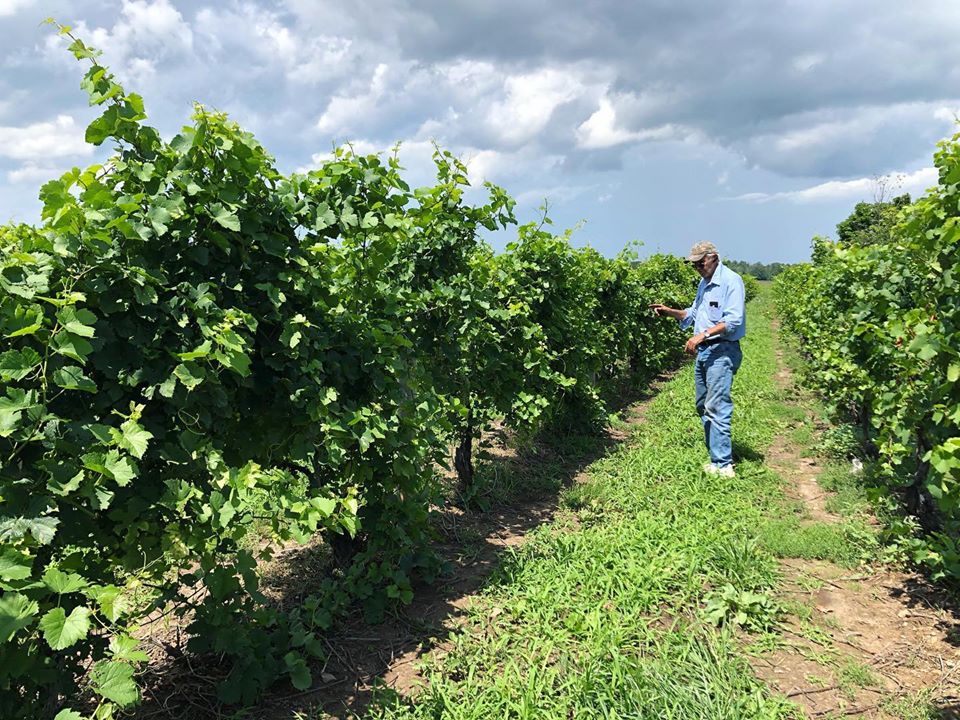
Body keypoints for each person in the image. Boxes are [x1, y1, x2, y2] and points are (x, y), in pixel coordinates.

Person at [650, 241, 746, 477]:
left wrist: (701, 336)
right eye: (694, 265)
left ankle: (723, 465)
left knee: (716, 405)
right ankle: (715, 455)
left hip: (722, 350)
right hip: (705, 352)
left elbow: (733, 321)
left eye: (700, 263)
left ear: (714, 257)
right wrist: (670, 312)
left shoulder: (731, 281)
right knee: (703, 405)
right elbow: (692, 314)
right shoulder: (704, 283)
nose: (697, 268)